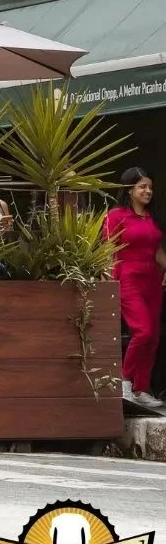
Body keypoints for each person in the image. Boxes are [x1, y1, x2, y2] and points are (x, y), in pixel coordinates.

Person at [104, 167, 166, 408]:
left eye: (150, 187)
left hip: (153, 281)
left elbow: (158, 251)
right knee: (143, 332)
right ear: (130, 190)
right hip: (128, 279)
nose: (148, 191)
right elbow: (108, 250)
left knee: (153, 339)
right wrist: (108, 280)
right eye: (142, 187)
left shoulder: (152, 217)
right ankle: (124, 380)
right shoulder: (116, 216)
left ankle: (141, 388)